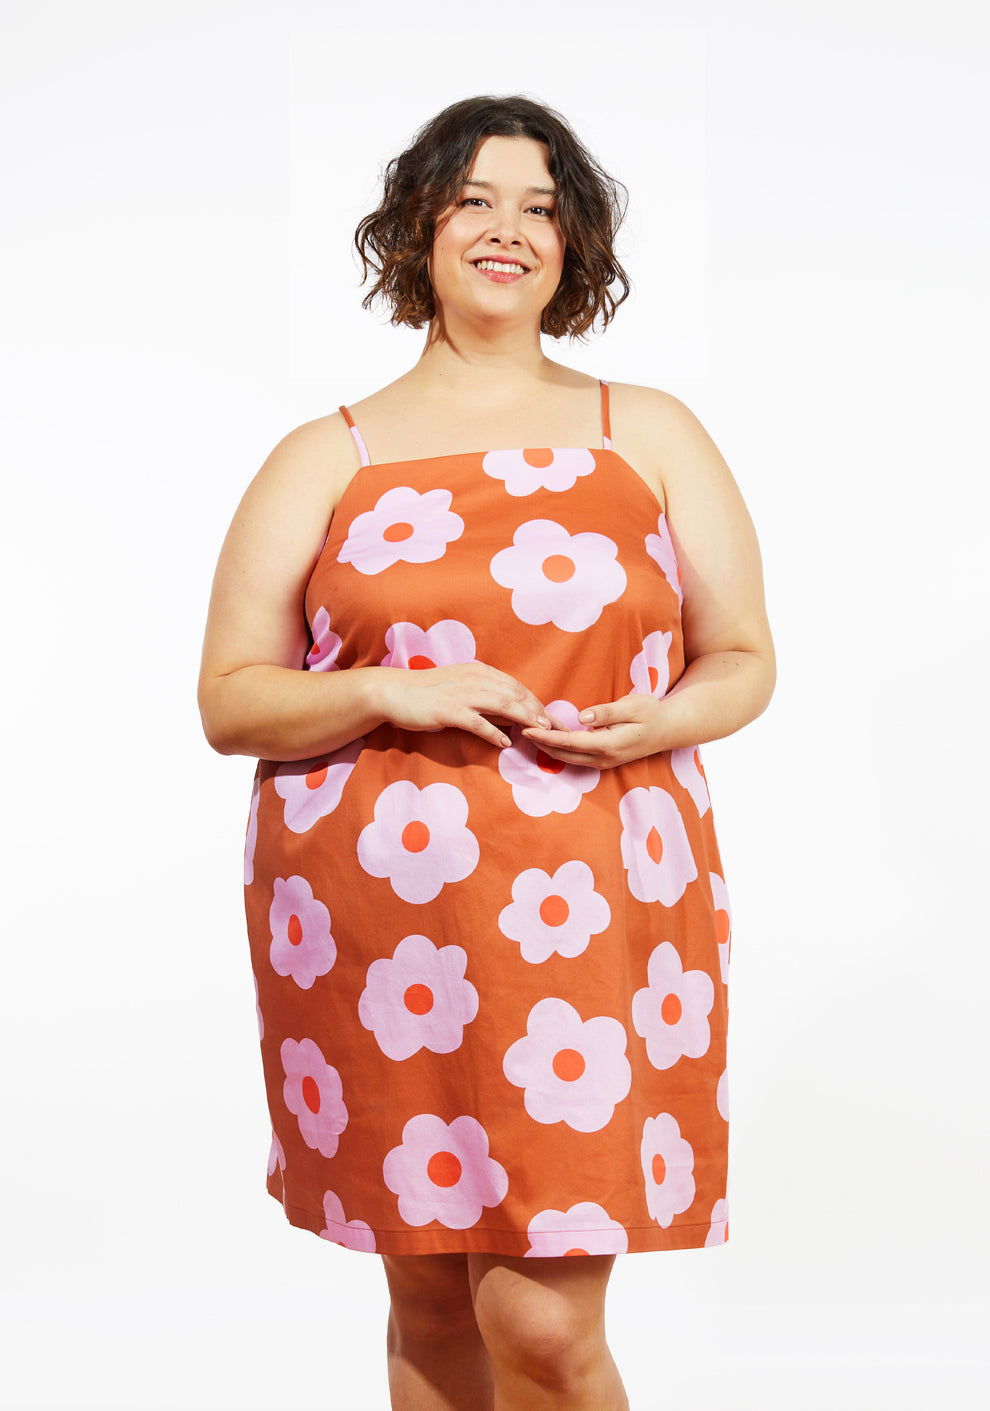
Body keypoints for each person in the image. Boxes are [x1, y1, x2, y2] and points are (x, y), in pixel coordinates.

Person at [198, 94, 775, 1411]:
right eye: (475, 200)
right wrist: (391, 696)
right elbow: (232, 699)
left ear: (573, 243)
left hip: (591, 925)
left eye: (540, 205)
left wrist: (665, 717)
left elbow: (742, 654)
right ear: (419, 227)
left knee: (542, 1324)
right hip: (375, 935)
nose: (508, 230)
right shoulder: (322, 456)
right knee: (426, 1297)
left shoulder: (650, 431)